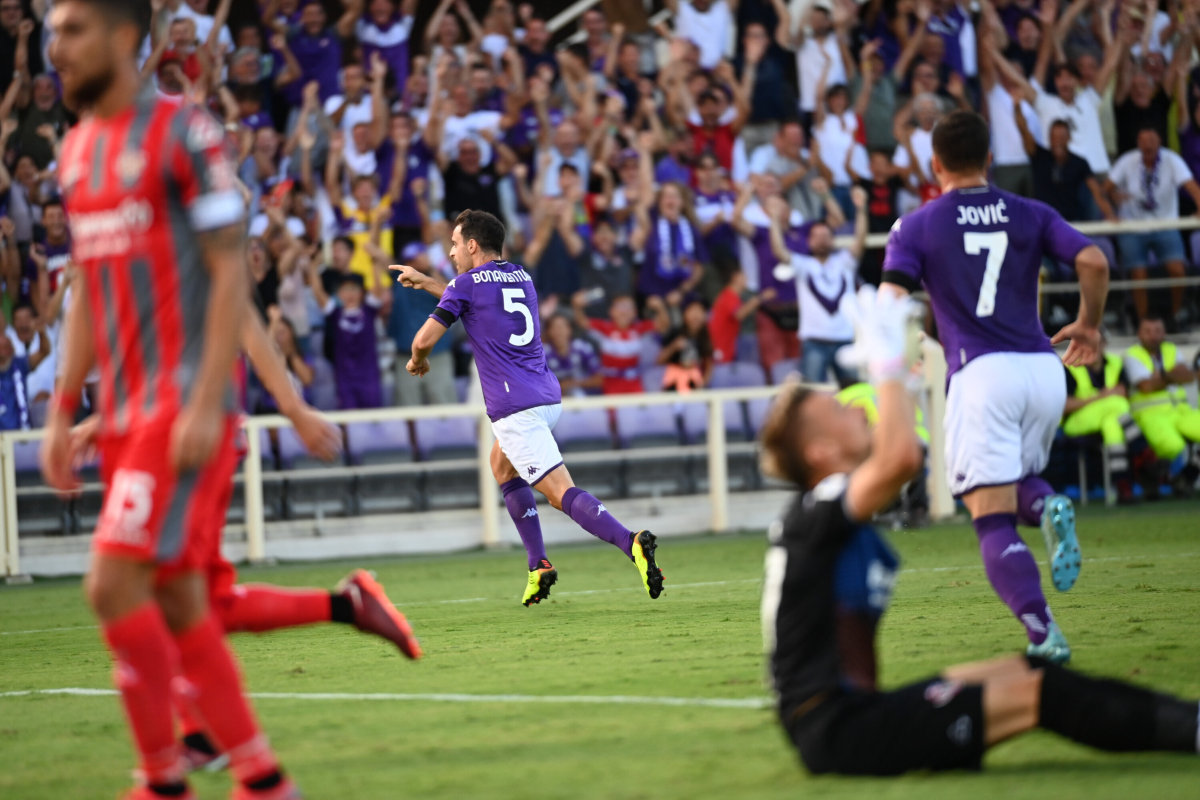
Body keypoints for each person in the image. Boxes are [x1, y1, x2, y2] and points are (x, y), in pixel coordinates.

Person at [759, 290, 1200, 776]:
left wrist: (902, 374)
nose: (859, 410)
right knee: (1042, 694)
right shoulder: (815, 511)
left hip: (853, 716)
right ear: (820, 452)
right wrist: (888, 369)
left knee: (1033, 671)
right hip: (840, 731)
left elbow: (899, 456)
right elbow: (902, 458)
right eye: (841, 411)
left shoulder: (823, 512)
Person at [39, 2, 298, 798]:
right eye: (51, 32)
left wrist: (201, 397)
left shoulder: (186, 133)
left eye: (73, 29)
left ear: (125, 39)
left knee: (111, 585)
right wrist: (64, 410)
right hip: (122, 411)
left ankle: (162, 779)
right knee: (183, 599)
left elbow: (231, 273)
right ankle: (260, 775)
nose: (57, 47)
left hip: (178, 404)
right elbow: (87, 293)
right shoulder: (77, 150)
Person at [880, 110, 1111, 663]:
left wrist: (897, 359)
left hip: (981, 374)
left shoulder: (918, 225)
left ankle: (1043, 634)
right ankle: (1050, 502)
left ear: (935, 164)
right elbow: (1094, 259)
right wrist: (1089, 324)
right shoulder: (1029, 212)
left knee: (990, 517)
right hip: (1041, 369)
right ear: (988, 159)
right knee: (1019, 481)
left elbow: (890, 303)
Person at [392, 210, 664, 606]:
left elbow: (422, 340)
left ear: (472, 245)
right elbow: (471, 296)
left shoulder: (466, 286)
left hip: (514, 407)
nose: (450, 252)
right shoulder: (521, 276)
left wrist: (418, 361)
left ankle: (631, 542)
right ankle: (538, 564)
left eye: (454, 244)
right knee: (501, 465)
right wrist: (429, 283)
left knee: (559, 493)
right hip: (546, 396)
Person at [770, 187, 868, 385]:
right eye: (817, 236)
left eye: (826, 235)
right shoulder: (803, 265)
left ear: (833, 239)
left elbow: (860, 240)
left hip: (844, 339)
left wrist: (861, 209)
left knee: (855, 394)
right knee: (812, 396)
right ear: (809, 241)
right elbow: (779, 251)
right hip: (814, 341)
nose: (822, 240)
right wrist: (774, 219)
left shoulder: (844, 262)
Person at [1103, 126, 1200, 326]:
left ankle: (1174, 315)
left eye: (1151, 142)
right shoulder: (1127, 160)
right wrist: (1112, 204)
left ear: (1160, 143)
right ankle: (1143, 322)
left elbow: (1192, 186)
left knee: (1178, 270)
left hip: (1165, 224)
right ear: (1138, 144)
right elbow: (1105, 190)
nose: (1147, 146)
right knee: (1139, 274)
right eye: (1143, 142)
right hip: (1132, 226)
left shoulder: (1172, 160)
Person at [1061, 331, 1152, 504]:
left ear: (1104, 344)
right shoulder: (1070, 366)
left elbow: (1125, 396)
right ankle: (1143, 451)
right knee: (1115, 404)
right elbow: (1064, 405)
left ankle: (1123, 486)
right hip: (1076, 422)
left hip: (1109, 419)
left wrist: (1109, 397)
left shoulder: (1116, 364)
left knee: (1112, 424)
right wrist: (1101, 396)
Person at [1123, 315, 1200, 486]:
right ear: (1139, 334)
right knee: (1174, 447)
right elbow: (1146, 386)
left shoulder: (1171, 349)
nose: (1153, 335)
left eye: (1157, 331)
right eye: (1148, 331)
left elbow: (1188, 376)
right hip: (1151, 415)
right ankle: (1163, 482)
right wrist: (1172, 375)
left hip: (1182, 412)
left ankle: (1186, 478)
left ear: (1164, 332)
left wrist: (1161, 376)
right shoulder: (1131, 355)